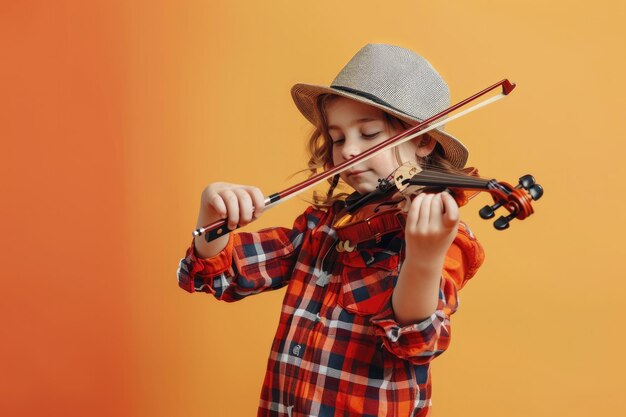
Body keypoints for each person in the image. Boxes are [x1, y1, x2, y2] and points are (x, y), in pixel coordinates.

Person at [178, 44, 485, 417]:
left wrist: (422, 260)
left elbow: (418, 342)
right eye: (338, 139)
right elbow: (226, 274)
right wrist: (212, 212)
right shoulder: (326, 226)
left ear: (423, 141)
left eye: (370, 134)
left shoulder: (441, 236)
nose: (348, 151)